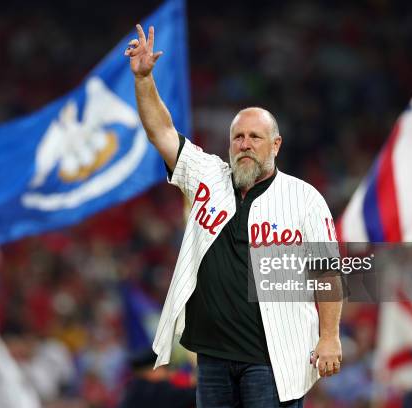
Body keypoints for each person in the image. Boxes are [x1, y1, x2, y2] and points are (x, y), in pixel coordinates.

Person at [125, 24, 342, 407]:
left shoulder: (305, 198)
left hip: (272, 358)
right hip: (212, 356)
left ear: (275, 145)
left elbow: (327, 272)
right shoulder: (207, 175)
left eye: (254, 138)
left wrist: (329, 336)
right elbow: (161, 130)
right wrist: (144, 79)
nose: (244, 145)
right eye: (238, 137)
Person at [119, 348, 195, 408]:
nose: (169, 373)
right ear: (153, 371)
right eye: (165, 367)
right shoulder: (156, 389)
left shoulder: (133, 391)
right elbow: (191, 396)